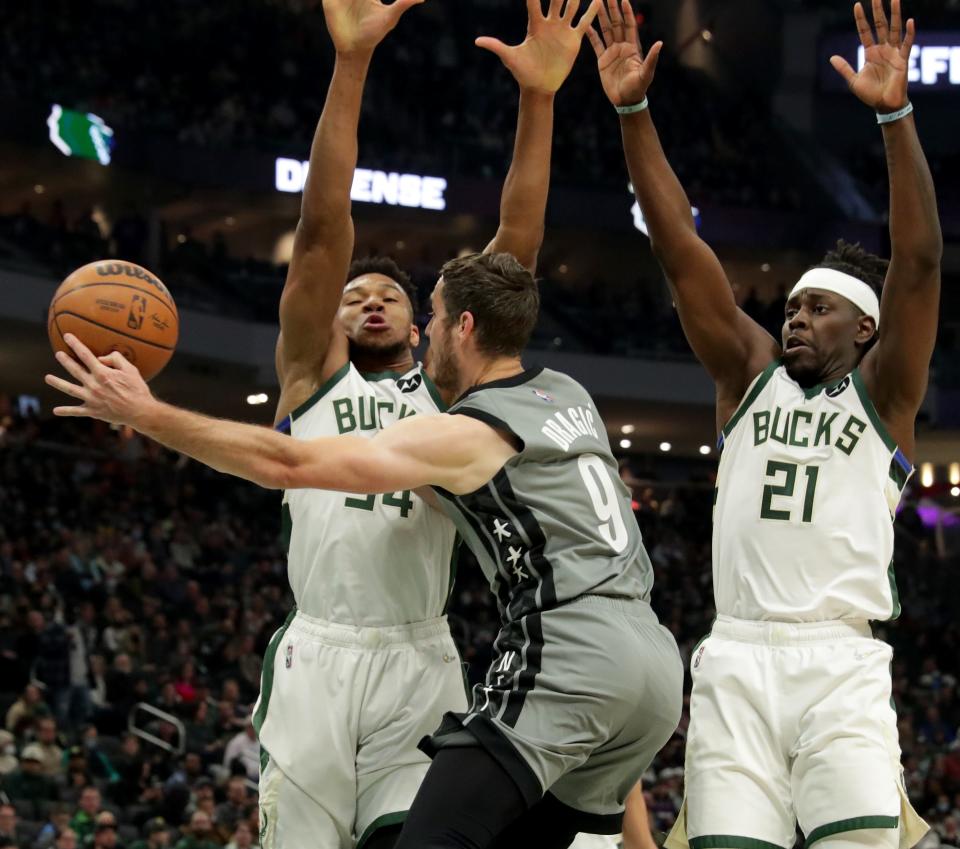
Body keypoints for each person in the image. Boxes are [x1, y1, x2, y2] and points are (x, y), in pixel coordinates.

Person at [46, 247, 683, 849]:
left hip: (568, 651)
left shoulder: (468, 429)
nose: (425, 331)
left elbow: (288, 464)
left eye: (430, 316)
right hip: (654, 663)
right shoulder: (570, 393)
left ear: (461, 326)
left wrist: (147, 412)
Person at [225, 0, 589, 845]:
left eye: (391, 292)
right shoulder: (308, 377)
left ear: (430, 322)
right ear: (335, 317)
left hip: (418, 656)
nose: (373, 299)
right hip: (318, 653)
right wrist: (350, 65)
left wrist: (539, 102)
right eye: (357, 294)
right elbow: (320, 231)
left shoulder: (452, 398)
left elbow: (517, 251)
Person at [585, 0, 941, 846]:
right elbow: (679, 247)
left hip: (840, 664)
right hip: (737, 659)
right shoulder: (747, 377)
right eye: (789, 307)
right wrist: (633, 113)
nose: (793, 320)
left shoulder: (884, 394)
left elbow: (920, 262)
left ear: (863, 328)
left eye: (817, 310)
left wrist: (895, 114)